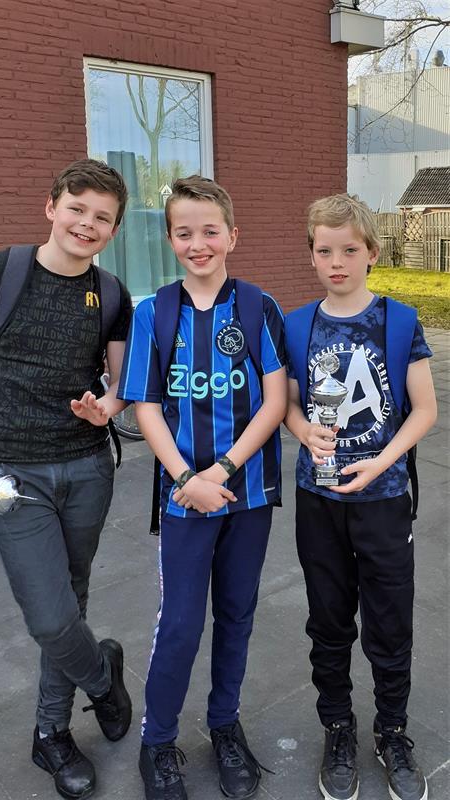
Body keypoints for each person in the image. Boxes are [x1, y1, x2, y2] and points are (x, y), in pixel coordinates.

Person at [0, 159, 134, 799]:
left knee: (71, 599)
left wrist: (106, 406)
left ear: (114, 229)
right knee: (50, 616)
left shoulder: (111, 294)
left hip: (87, 468)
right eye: (77, 209)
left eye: (102, 218)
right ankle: (103, 678)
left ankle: (51, 733)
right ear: (51, 207)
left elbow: (119, 383)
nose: (86, 224)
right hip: (11, 471)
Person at [117, 175, 288, 800]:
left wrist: (224, 471)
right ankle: (157, 740)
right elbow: (146, 407)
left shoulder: (258, 307)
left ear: (232, 236)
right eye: (184, 233)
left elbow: (274, 401)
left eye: (210, 231)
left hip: (247, 494)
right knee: (182, 623)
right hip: (185, 498)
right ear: (169, 239)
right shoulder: (154, 313)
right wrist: (188, 478)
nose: (198, 244)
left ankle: (224, 724)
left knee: (237, 614)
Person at [284, 194, 437, 800]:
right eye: (325, 251)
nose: (337, 262)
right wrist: (302, 429)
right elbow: (288, 403)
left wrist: (382, 460)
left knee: (390, 620)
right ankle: (338, 728)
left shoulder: (399, 321)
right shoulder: (297, 325)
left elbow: (423, 409)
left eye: (349, 250)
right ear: (311, 255)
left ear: (372, 252)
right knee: (327, 619)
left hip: (385, 496)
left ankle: (392, 730)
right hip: (319, 498)